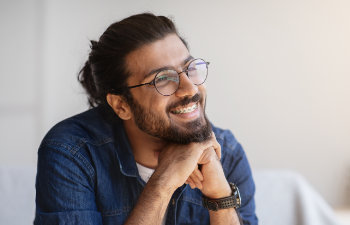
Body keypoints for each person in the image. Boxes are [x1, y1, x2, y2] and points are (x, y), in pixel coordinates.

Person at [34, 13, 258, 225]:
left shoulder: (225, 153)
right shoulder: (71, 151)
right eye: (162, 79)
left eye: (189, 68)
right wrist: (163, 182)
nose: (190, 89)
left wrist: (220, 198)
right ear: (122, 105)